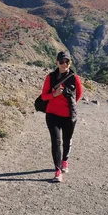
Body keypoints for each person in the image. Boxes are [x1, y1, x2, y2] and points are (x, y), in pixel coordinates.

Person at [40, 51, 83, 182]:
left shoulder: (74, 78)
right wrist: (54, 95)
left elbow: (79, 94)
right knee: (56, 142)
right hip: (52, 114)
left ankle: (65, 160)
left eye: (67, 62)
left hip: (69, 116)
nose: (64, 64)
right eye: (61, 62)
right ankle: (58, 171)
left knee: (67, 140)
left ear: (70, 63)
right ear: (57, 62)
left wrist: (70, 104)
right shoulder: (50, 77)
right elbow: (43, 96)